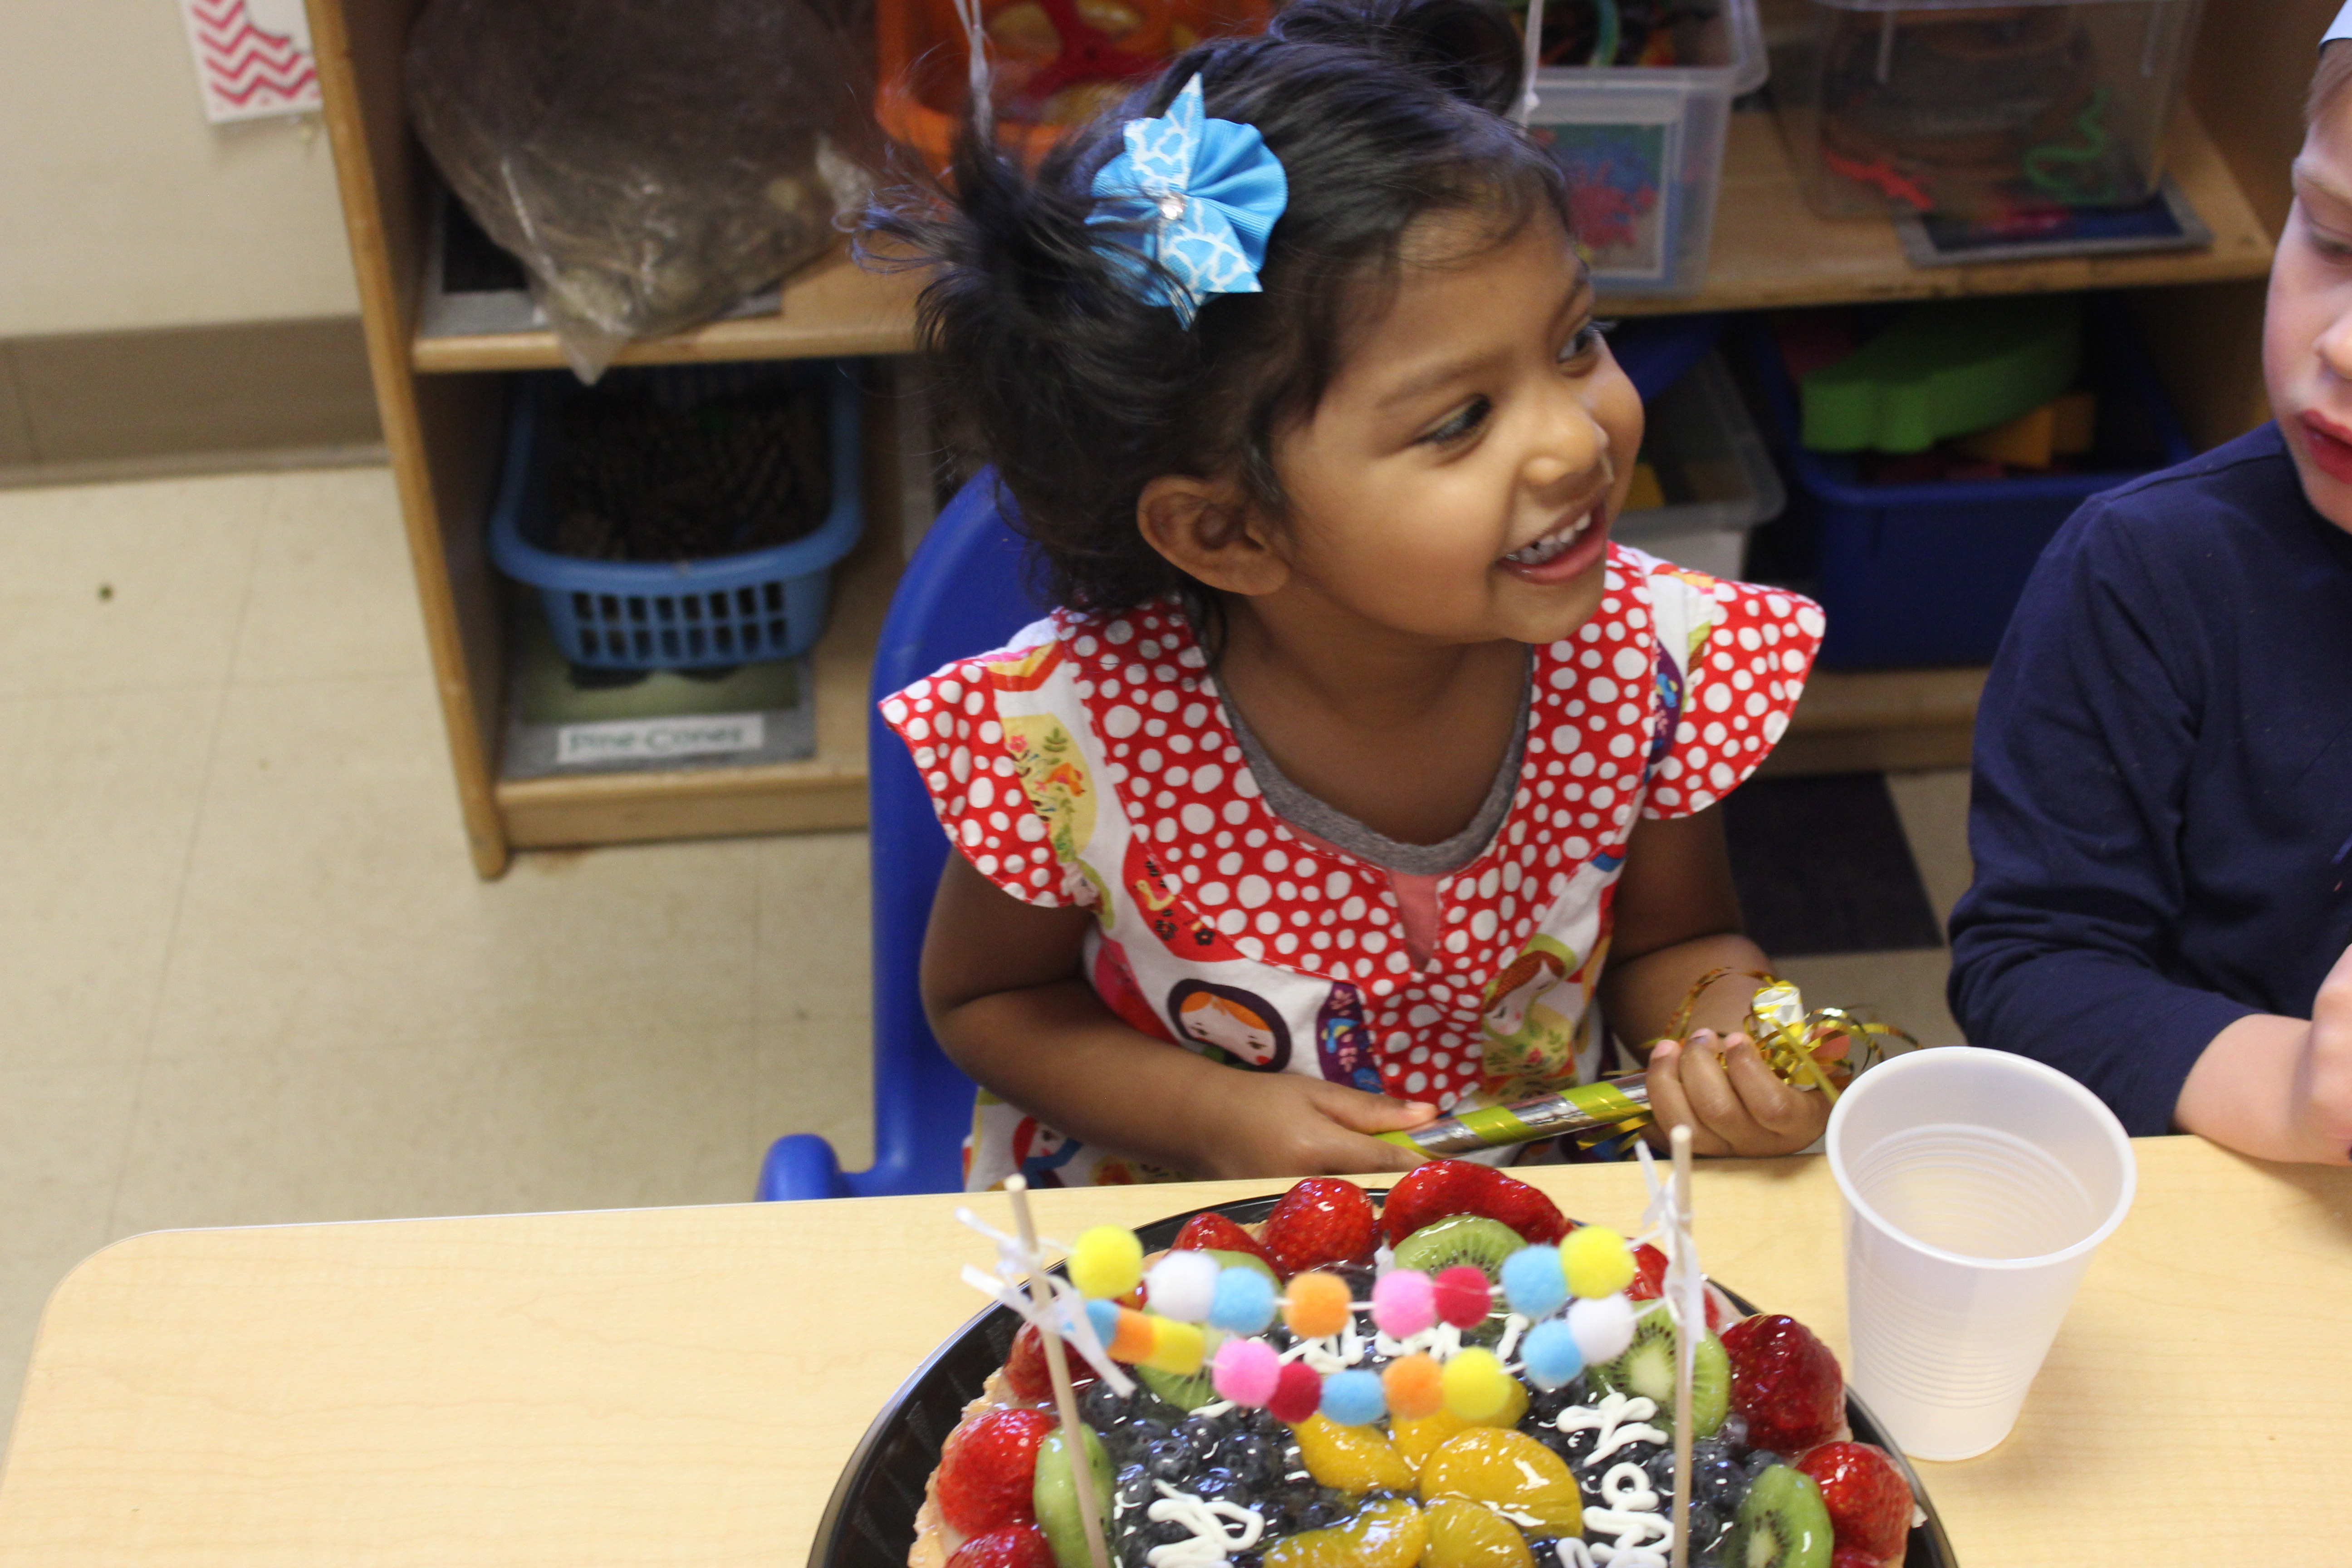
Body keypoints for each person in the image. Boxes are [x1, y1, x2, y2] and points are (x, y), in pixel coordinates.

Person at [872, 0, 1829, 1189]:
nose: (1575, 443)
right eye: (1460, 419)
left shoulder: (1644, 661)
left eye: (1579, 340)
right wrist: (1217, 1118)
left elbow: (1685, 940)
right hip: (1196, 1232)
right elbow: (989, 1001)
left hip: (1530, 1236)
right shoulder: (1074, 740)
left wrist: (1737, 1040)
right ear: (1225, 531)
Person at [1948, 10, 2352, 1166]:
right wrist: (2299, 1090)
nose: (2345, 348)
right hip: (2223, 1194)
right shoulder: (2152, 569)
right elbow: (2031, 971)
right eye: (2332, 238)